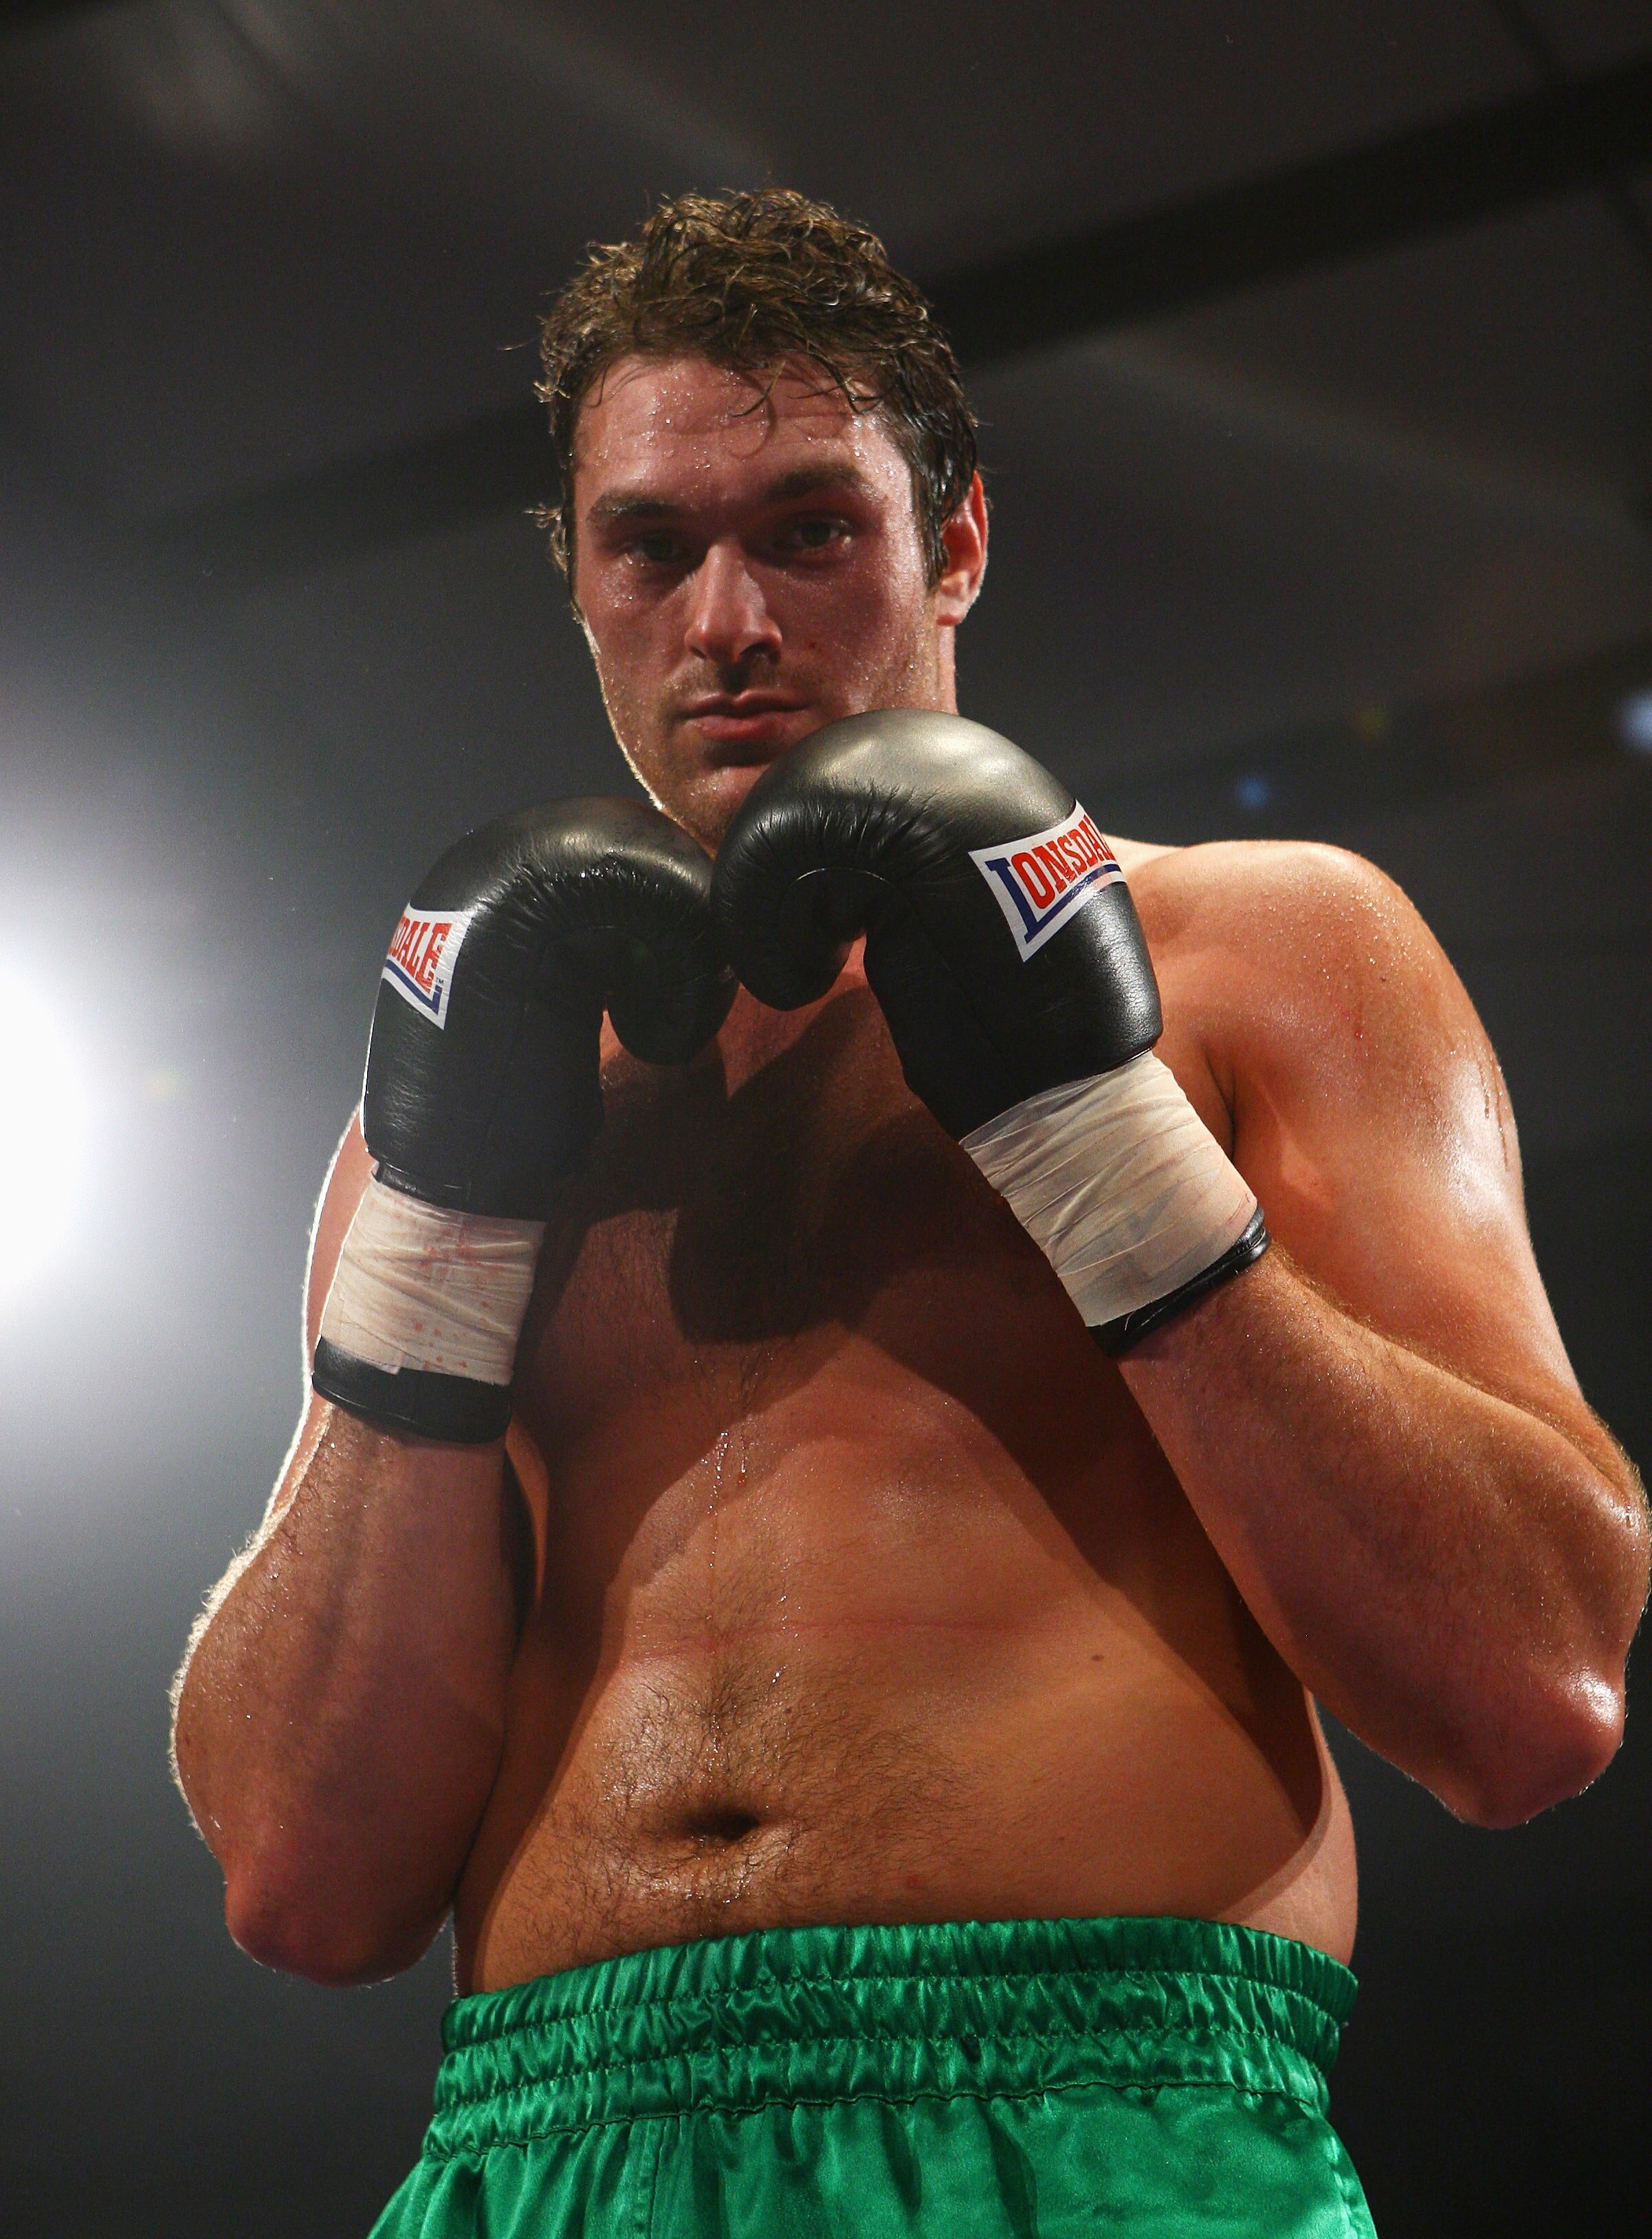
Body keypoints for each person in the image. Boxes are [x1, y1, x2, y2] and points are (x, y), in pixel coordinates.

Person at [170, 191, 1648, 2237]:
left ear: (953, 545)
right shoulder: (470, 1112)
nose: (727, 622)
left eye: (808, 530)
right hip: (542, 2154)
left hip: (1088, 2114)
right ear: (578, 581)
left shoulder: (1262, 953)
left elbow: (1530, 1688)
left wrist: (1098, 1134)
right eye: (651, 548)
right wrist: (433, 1226)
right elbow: (301, 1883)